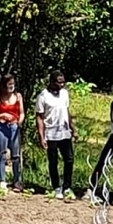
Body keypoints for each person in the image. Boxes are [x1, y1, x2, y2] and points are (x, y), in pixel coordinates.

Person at [36, 70, 78, 200]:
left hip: (64, 132)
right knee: (53, 161)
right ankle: (56, 187)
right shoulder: (43, 96)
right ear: (52, 82)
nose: (62, 85)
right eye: (59, 82)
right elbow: (39, 117)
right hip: (51, 134)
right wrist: (42, 136)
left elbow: (66, 111)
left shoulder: (64, 94)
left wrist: (73, 129)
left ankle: (67, 187)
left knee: (69, 159)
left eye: (63, 82)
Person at [0, 73, 25, 191]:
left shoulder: (18, 96)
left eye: (13, 84)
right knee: (2, 154)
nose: (12, 86)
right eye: (9, 84)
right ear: (4, 85)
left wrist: (19, 123)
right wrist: (3, 115)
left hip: (14, 127)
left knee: (16, 155)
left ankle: (16, 181)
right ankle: (2, 180)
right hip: (2, 128)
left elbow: (22, 113)